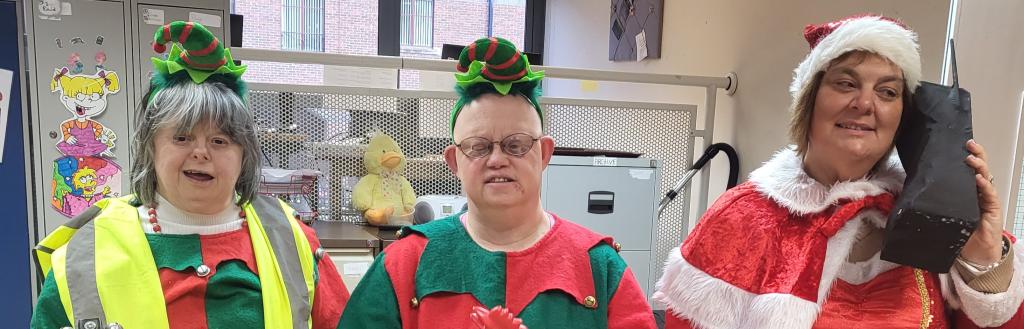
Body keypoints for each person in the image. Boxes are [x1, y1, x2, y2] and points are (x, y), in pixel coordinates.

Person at [653, 15, 1024, 328]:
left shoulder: (935, 214)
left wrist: (983, 255)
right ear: (809, 101)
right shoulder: (739, 220)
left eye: (888, 92)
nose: (865, 104)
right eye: (845, 83)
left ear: (904, 117)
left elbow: (996, 320)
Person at [30, 21, 350, 329]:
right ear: (151, 147)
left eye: (220, 141)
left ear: (244, 155)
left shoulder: (290, 239)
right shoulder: (88, 253)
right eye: (182, 138)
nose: (201, 152)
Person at [338, 37, 657, 328]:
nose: (497, 159)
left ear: (544, 153)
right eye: (478, 146)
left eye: (516, 144)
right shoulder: (406, 262)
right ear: (454, 162)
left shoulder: (598, 267)